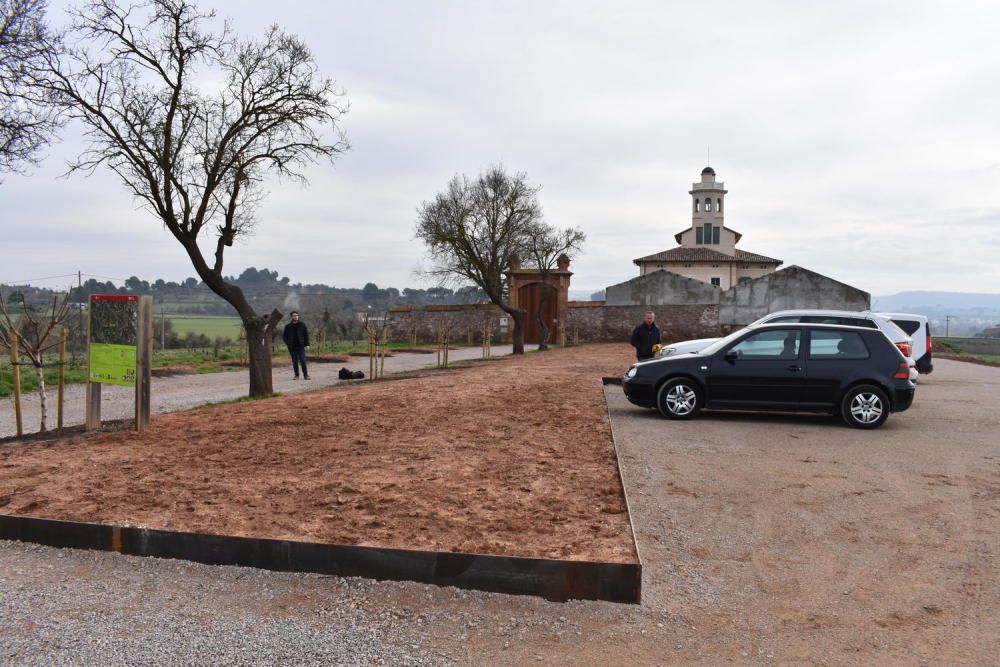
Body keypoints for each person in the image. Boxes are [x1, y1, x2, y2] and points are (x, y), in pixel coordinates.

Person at [282, 310, 310, 379]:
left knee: (303, 361)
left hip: (301, 346)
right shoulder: (288, 326)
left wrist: (307, 344)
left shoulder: (302, 325)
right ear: (291, 317)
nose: (296, 317)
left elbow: (306, 335)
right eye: (294, 316)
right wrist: (288, 344)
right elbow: (284, 336)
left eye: (297, 315)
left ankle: (306, 375)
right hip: (292, 347)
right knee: (295, 362)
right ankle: (296, 375)